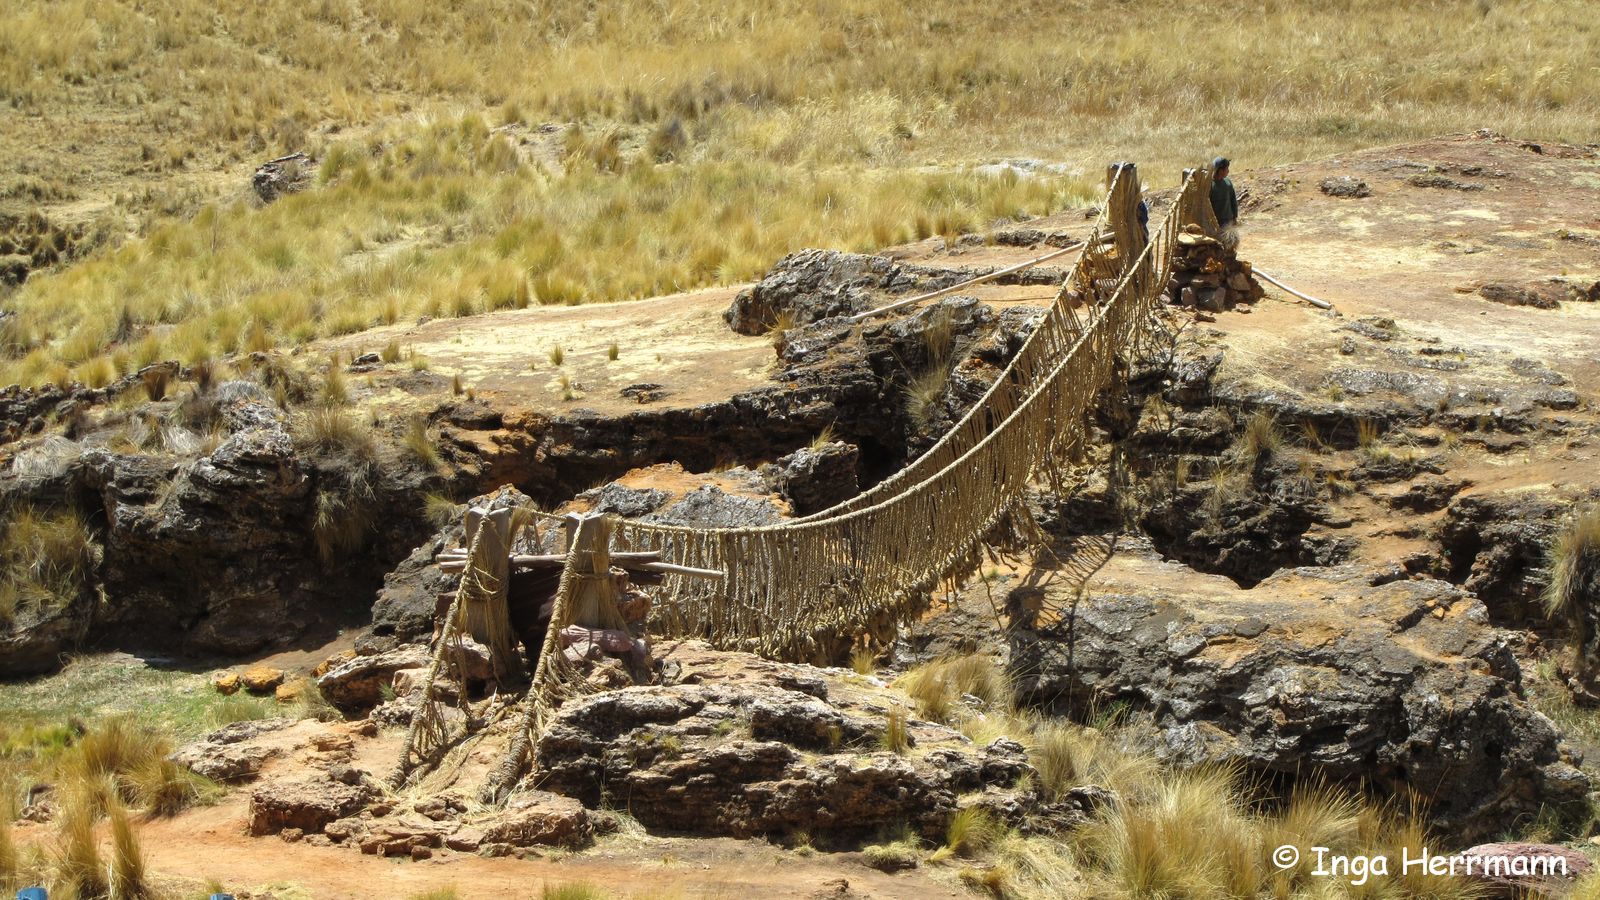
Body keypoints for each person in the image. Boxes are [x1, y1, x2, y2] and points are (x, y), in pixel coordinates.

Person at [1209, 156, 1239, 249]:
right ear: (1220, 170)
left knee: (1230, 244)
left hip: (1227, 220)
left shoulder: (1228, 182)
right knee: (1216, 246)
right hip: (1214, 221)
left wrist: (1234, 217)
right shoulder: (1209, 185)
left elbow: (1233, 200)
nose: (1228, 171)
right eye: (1226, 169)